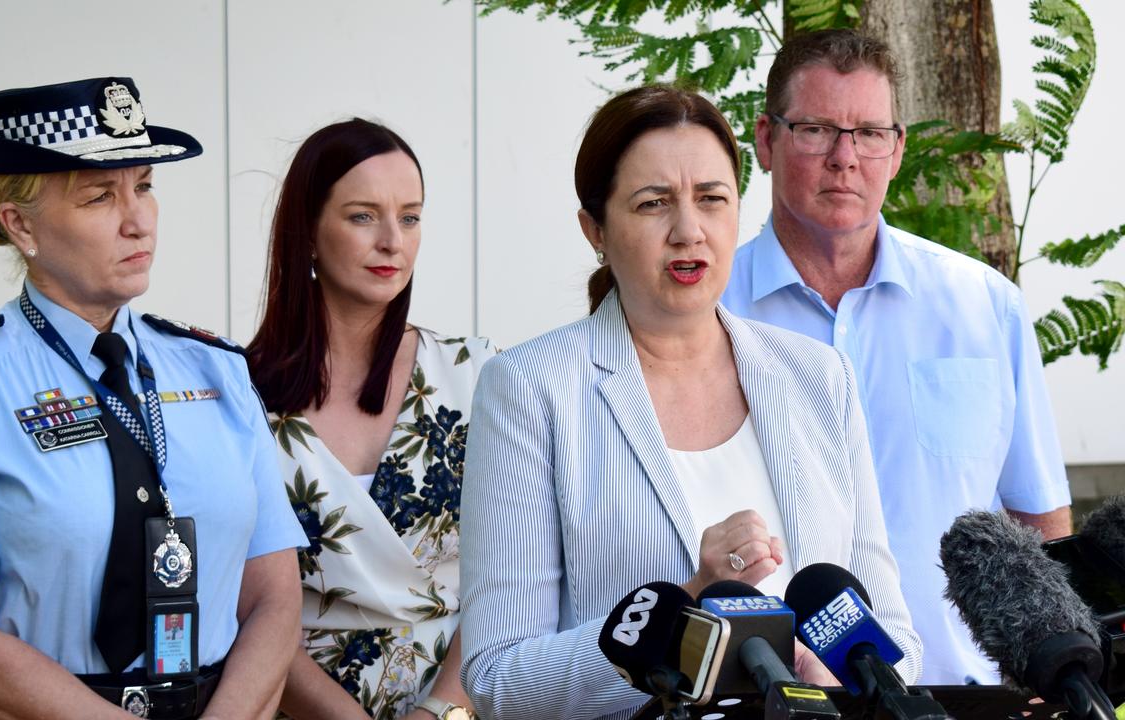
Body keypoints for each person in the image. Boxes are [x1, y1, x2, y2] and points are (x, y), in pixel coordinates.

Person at [458, 85, 921, 720]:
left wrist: (843, 671)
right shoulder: (529, 387)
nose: (688, 230)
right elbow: (498, 676)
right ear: (595, 229)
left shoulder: (817, 374)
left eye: (711, 199)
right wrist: (685, 609)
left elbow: (892, 627)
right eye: (653, 204)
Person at [0, 77, 306, 719]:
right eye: (100, 196)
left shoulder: (216, 370)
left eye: (146, 186)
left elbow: (274, 599)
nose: (138, 219)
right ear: (20, 224)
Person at [720, 29, 1072, 685]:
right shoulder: (710, 316)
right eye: (817, 129)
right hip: (781, 695)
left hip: (966, 693)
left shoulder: (984, 308)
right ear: (766, 140)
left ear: (898, 148)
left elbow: (1040, 524)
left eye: (869, 133)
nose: (844, 158)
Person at [246, 119, 494, 720]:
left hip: (466, 702)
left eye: (410, 217)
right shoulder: (239, 396)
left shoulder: (478, 373)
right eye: (362, 216)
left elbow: (509, 571)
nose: (393, 241)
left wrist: (444, 709)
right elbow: (243, 599)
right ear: (306, 230)